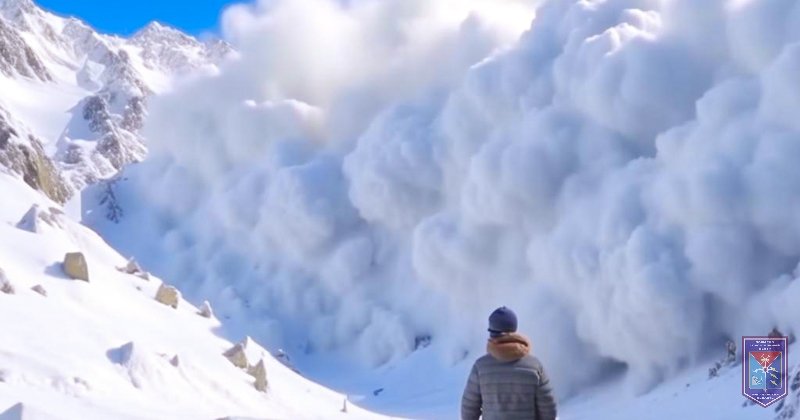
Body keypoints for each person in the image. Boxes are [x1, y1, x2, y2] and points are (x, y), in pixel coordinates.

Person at [461, 306, 557, 420]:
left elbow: (469, 409)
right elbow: (548, 408)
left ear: (492, 333)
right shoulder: (535, 366)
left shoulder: (480, 367)